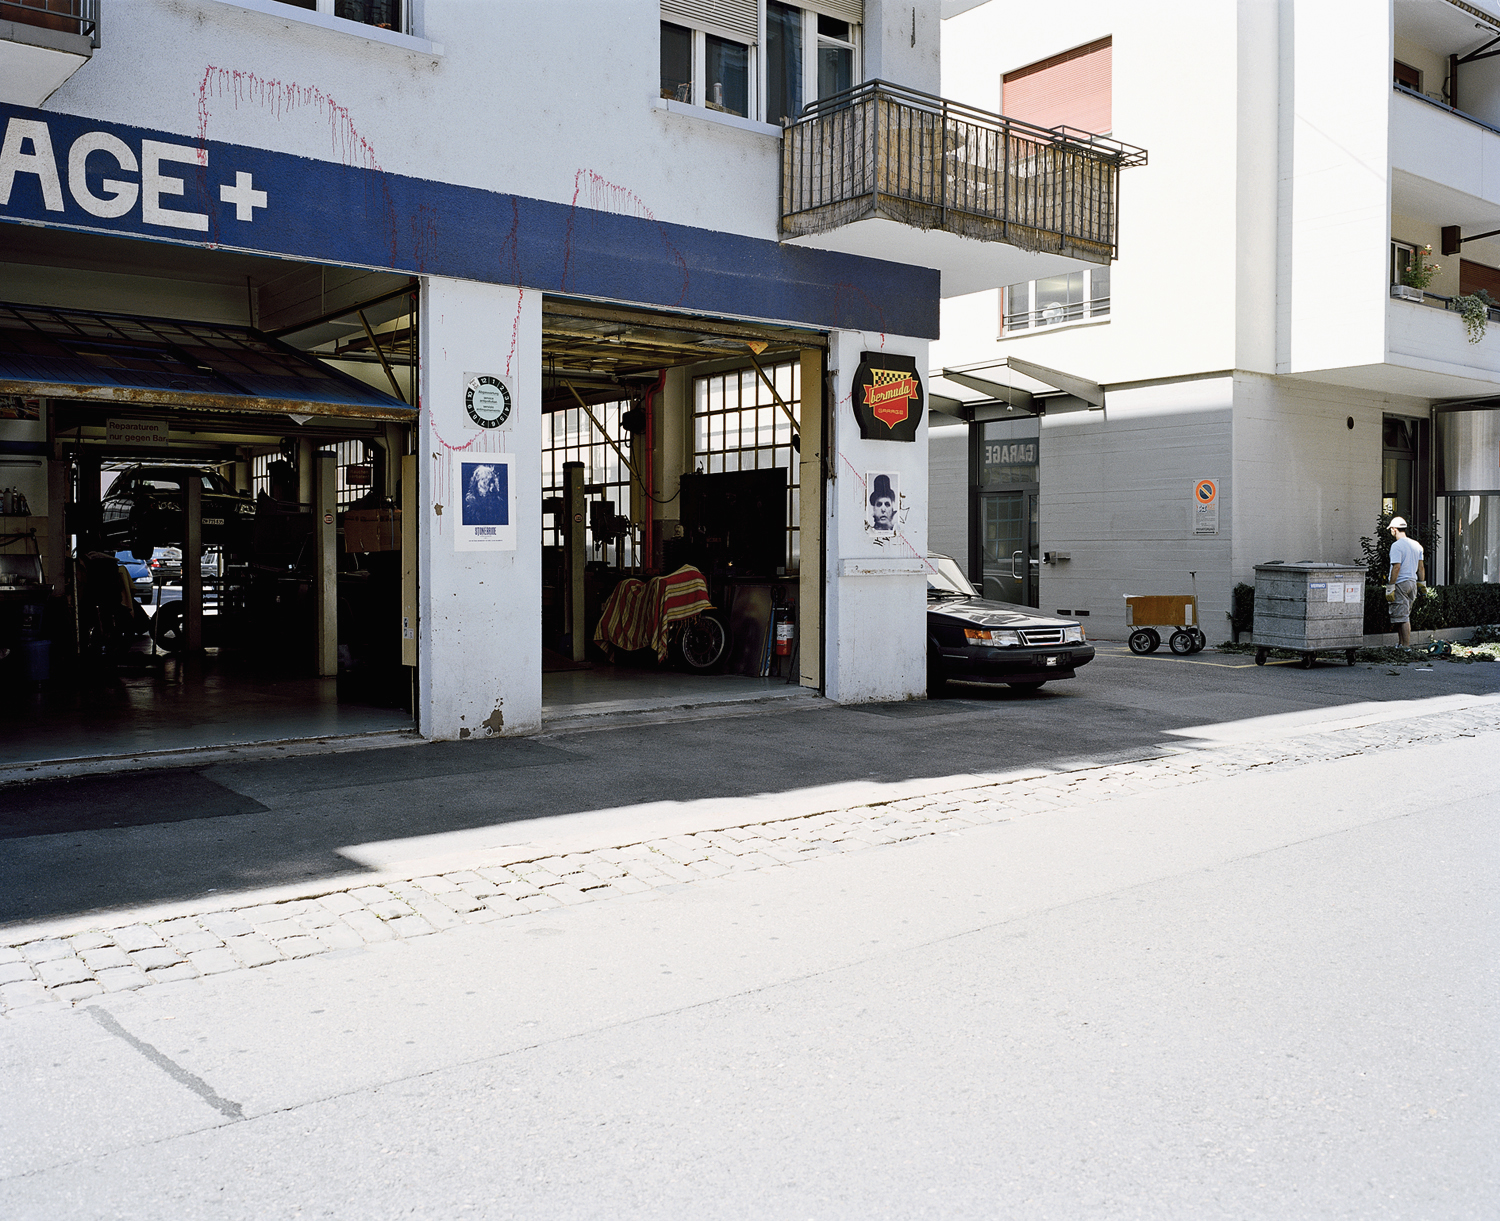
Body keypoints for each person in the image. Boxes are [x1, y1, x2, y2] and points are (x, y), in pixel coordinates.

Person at [1386, 516, 1426, 647]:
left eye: (1391, 529)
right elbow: (1421, 567)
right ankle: (1401, 644)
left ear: (1394, 529)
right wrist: (1422, 583)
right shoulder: (1417, 545)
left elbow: (1396, 567)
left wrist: (1391, 586)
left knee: (1402, 618)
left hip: (1401, 584)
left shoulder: (1396, 546)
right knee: (1401, 615)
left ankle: (1406, 647)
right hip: (1412, 583)